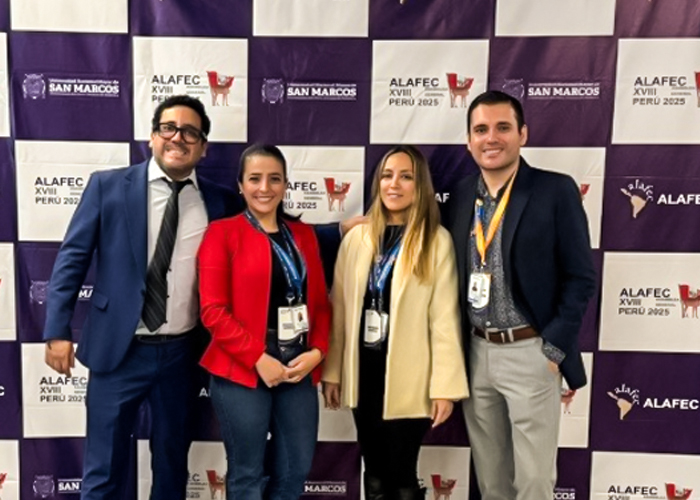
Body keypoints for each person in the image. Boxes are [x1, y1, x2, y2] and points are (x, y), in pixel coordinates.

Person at [43, 95, 241, 499]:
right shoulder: (107, 187)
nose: (178, 138)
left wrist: (339, 231)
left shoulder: (221, 202)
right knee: (104, 469)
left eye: (190, 132)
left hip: (182, 355)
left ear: (203, 147)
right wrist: (57, 329)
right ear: (152, 137)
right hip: (118, 351)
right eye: (169, 128)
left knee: (171, 467)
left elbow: (274, 230)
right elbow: (72, 259)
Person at [445, 90, 596, 500]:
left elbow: (581, 277)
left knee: (533, 481)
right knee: (491, 482)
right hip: (476, 353)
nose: (491, 138)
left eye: (503, 128)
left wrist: (553, 348)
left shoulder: (555, 190)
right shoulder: (461, 195)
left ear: (523, 134)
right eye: (481, 130)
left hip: (531, 351)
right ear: (469, 141)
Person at [322, 145, 468, 500]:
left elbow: (444, 320)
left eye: (406, 177)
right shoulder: (356, 239)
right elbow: (339, 312)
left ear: (420, 186)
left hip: (411, 378)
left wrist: (444, 387)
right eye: (387, 175)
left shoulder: (436, 241)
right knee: (373, 471)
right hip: (364, 374)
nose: (394, 184)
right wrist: (333, 372)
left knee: (402, 473)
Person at [197, 144, 331, 500]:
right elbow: (212, 310)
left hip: (298, 364)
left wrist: (317, 352)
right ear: (240, 185)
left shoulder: (303, 236)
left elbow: (321, 306)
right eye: (254, 179)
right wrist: (258, 357)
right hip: (242, 366)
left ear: (285, 185)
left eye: (274, 179)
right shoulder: (221, 233)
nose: (264, 187)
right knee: (247, 476)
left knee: (295, 470)